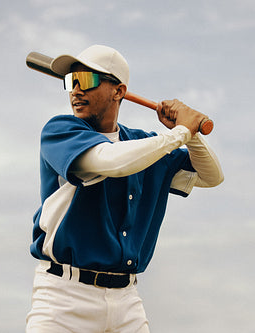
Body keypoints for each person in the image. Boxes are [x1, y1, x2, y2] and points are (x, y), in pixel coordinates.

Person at [26, 45, 224, 332]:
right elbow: (111, 161)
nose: (76, 90)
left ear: (118, 91)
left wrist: (192, 137)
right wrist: (180, 132)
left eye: (87, 80)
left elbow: (212, 176)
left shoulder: (143, 144)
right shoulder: (60, 131)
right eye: (72, 81)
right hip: (63, 298)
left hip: (126, 298)